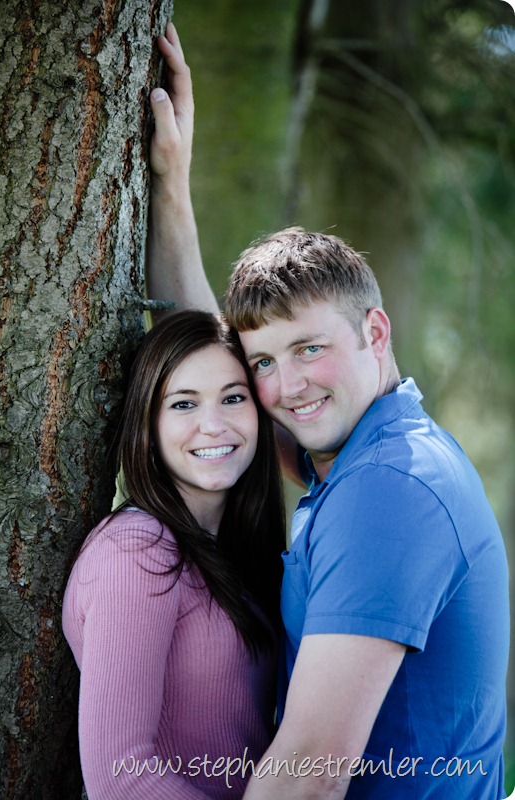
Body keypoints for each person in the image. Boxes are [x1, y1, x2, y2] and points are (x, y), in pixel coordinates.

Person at [145, 23, 510, 800]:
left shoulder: (388, 489)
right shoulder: (369, 448)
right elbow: (209, 360)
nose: (287, 387)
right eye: (264, 363)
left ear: (375, 332)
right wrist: (170, 180)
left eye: (309, 349)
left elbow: (307, 772)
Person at [62, 309, 285, 799]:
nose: (213, 425)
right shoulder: (136, 551)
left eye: (233, 398)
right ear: (149, 422)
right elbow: (120, 779)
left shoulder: (232, 547)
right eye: (184, 404)